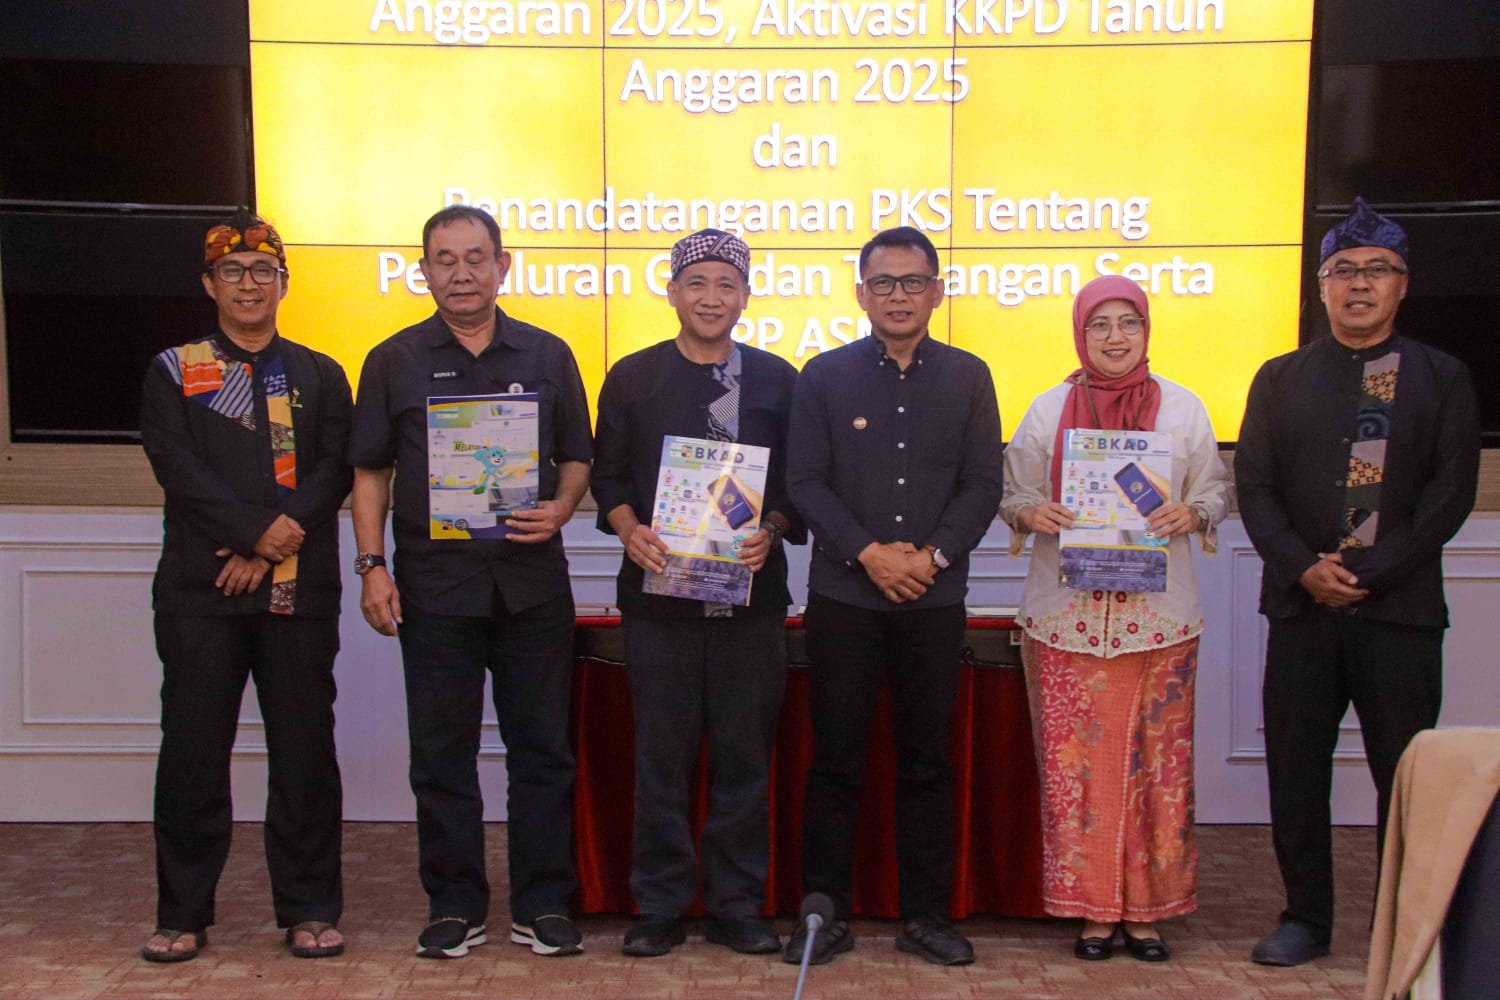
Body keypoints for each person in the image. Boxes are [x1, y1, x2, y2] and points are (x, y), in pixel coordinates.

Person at [1236, 197, 1481, 967]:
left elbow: (1450, 493)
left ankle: (1406, 926)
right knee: (1296, 771)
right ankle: (1305, 918)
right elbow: (1255, 489)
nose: (1360, 283)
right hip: (1302, 610)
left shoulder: (1440, 377)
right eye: (1344, 270)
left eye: (1378, 269)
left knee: (1404, 777)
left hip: (1398, 614)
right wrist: (1306, 569)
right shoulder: (1280, 378)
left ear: (1403, 284)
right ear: (1321, 286)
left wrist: (1368, 570)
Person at [349, 205, 593, 959]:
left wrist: (562, 507)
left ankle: (543, 905)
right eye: (445, 259)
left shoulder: (549, 353)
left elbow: (577, 456)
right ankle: (454, 905)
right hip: (434, 586)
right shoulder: (392, 360)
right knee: (441, 755)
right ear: (424, 271)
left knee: (543, 751)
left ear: (502, 265)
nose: (461, 273)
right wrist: (371, 566)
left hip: (532, 585)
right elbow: (370, 472)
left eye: (475, 257)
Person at [783, 226, 1004, 966]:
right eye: (884, 283)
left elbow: (983, 484)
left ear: (936, 292)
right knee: (835, 762)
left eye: (913, 282)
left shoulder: (969, 376)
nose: (898, 296)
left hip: (932, 603)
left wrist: (931, 556)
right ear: (861, 294)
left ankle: (927, 918)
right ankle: (824, 917)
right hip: (845, 600)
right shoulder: (824, 375)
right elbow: (805, 480)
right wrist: (869, 553)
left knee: (926, 763)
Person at [139, 211, 351, 962]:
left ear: (284, 284)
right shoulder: (175, 368)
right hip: (201, 593)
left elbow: (335, 468)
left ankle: (310, 908)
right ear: (210, 284)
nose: (249, 284)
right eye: (233, 271)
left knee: (304, 754)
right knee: (193, 753)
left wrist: (268, 546)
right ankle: (182, 913)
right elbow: (177, 469)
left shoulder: (321, 373)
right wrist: (255, 534)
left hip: (298, 594)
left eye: (264, 271)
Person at [999, 274, 1230, 962]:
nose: (1115, 337)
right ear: (1080, 333)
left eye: (1128, 322)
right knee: (1078, 772)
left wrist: (1193, 512)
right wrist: (1031, 511)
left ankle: (1148, 913)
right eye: (1099, 324)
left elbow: (1215, 490)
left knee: (1156, 771)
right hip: (1066, 620)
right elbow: (1012, 491)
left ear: (1147, 329)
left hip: (1159, 622)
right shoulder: (1048, 410)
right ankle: (1093, 913)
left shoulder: (1183, 409)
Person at [592, 229, 804, 958]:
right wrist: (628, 529)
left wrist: (771, 529)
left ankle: (737, 906)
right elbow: (608, 476)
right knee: (662, 759)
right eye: (697, 283)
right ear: (672, 291)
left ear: (745, 296)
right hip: (659, 603)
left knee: (745, 759)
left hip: (751, 602)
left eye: (726, 284)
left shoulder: (778, 380)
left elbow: (797, 486)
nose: (711, 298)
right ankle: (660, 906)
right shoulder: (632, 376)